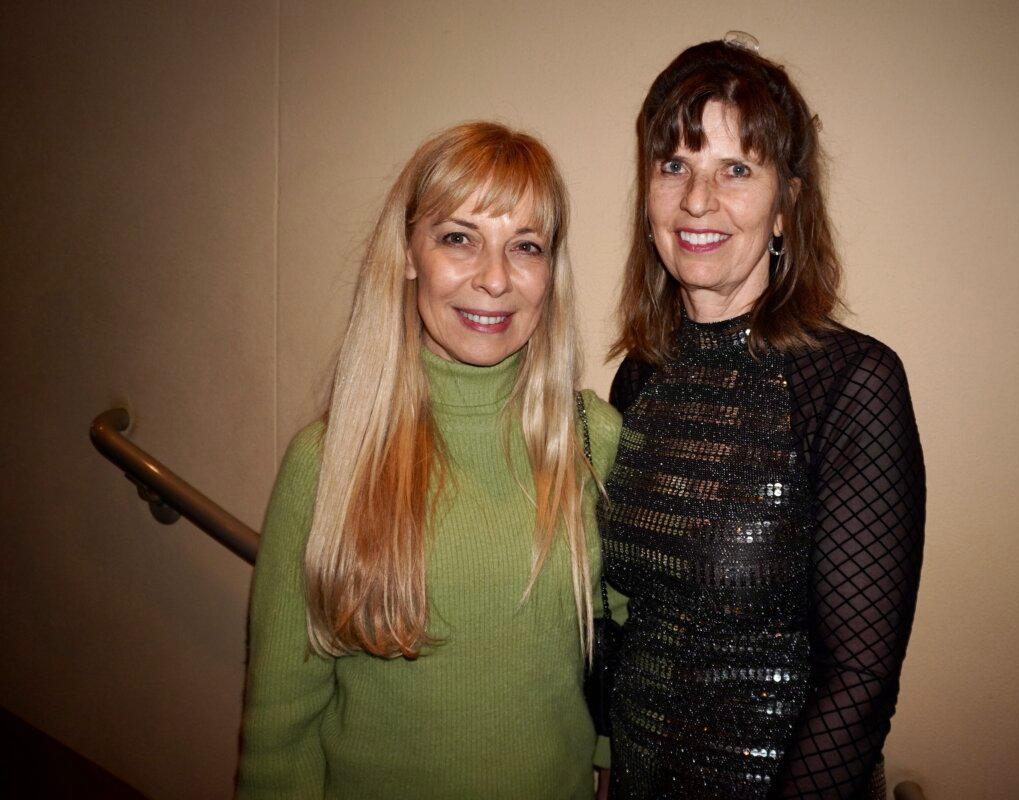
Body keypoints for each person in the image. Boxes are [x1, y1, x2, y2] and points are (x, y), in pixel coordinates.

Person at [236, 122, 622, 800]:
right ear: (410, 252)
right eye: (458, 238)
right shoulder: (328, 463)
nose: (495, 279)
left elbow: (623, 641)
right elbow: (280, 726)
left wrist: (605, 752)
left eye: (525, 246)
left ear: (550, 272)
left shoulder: (596, 438)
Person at [601, 38, 926, 800]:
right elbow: (631, 630)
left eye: (736, 170)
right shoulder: (639, 375)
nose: (697, 200)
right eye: (674, 165)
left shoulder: (850, 381)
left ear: (786, 207)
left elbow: (861, 680)